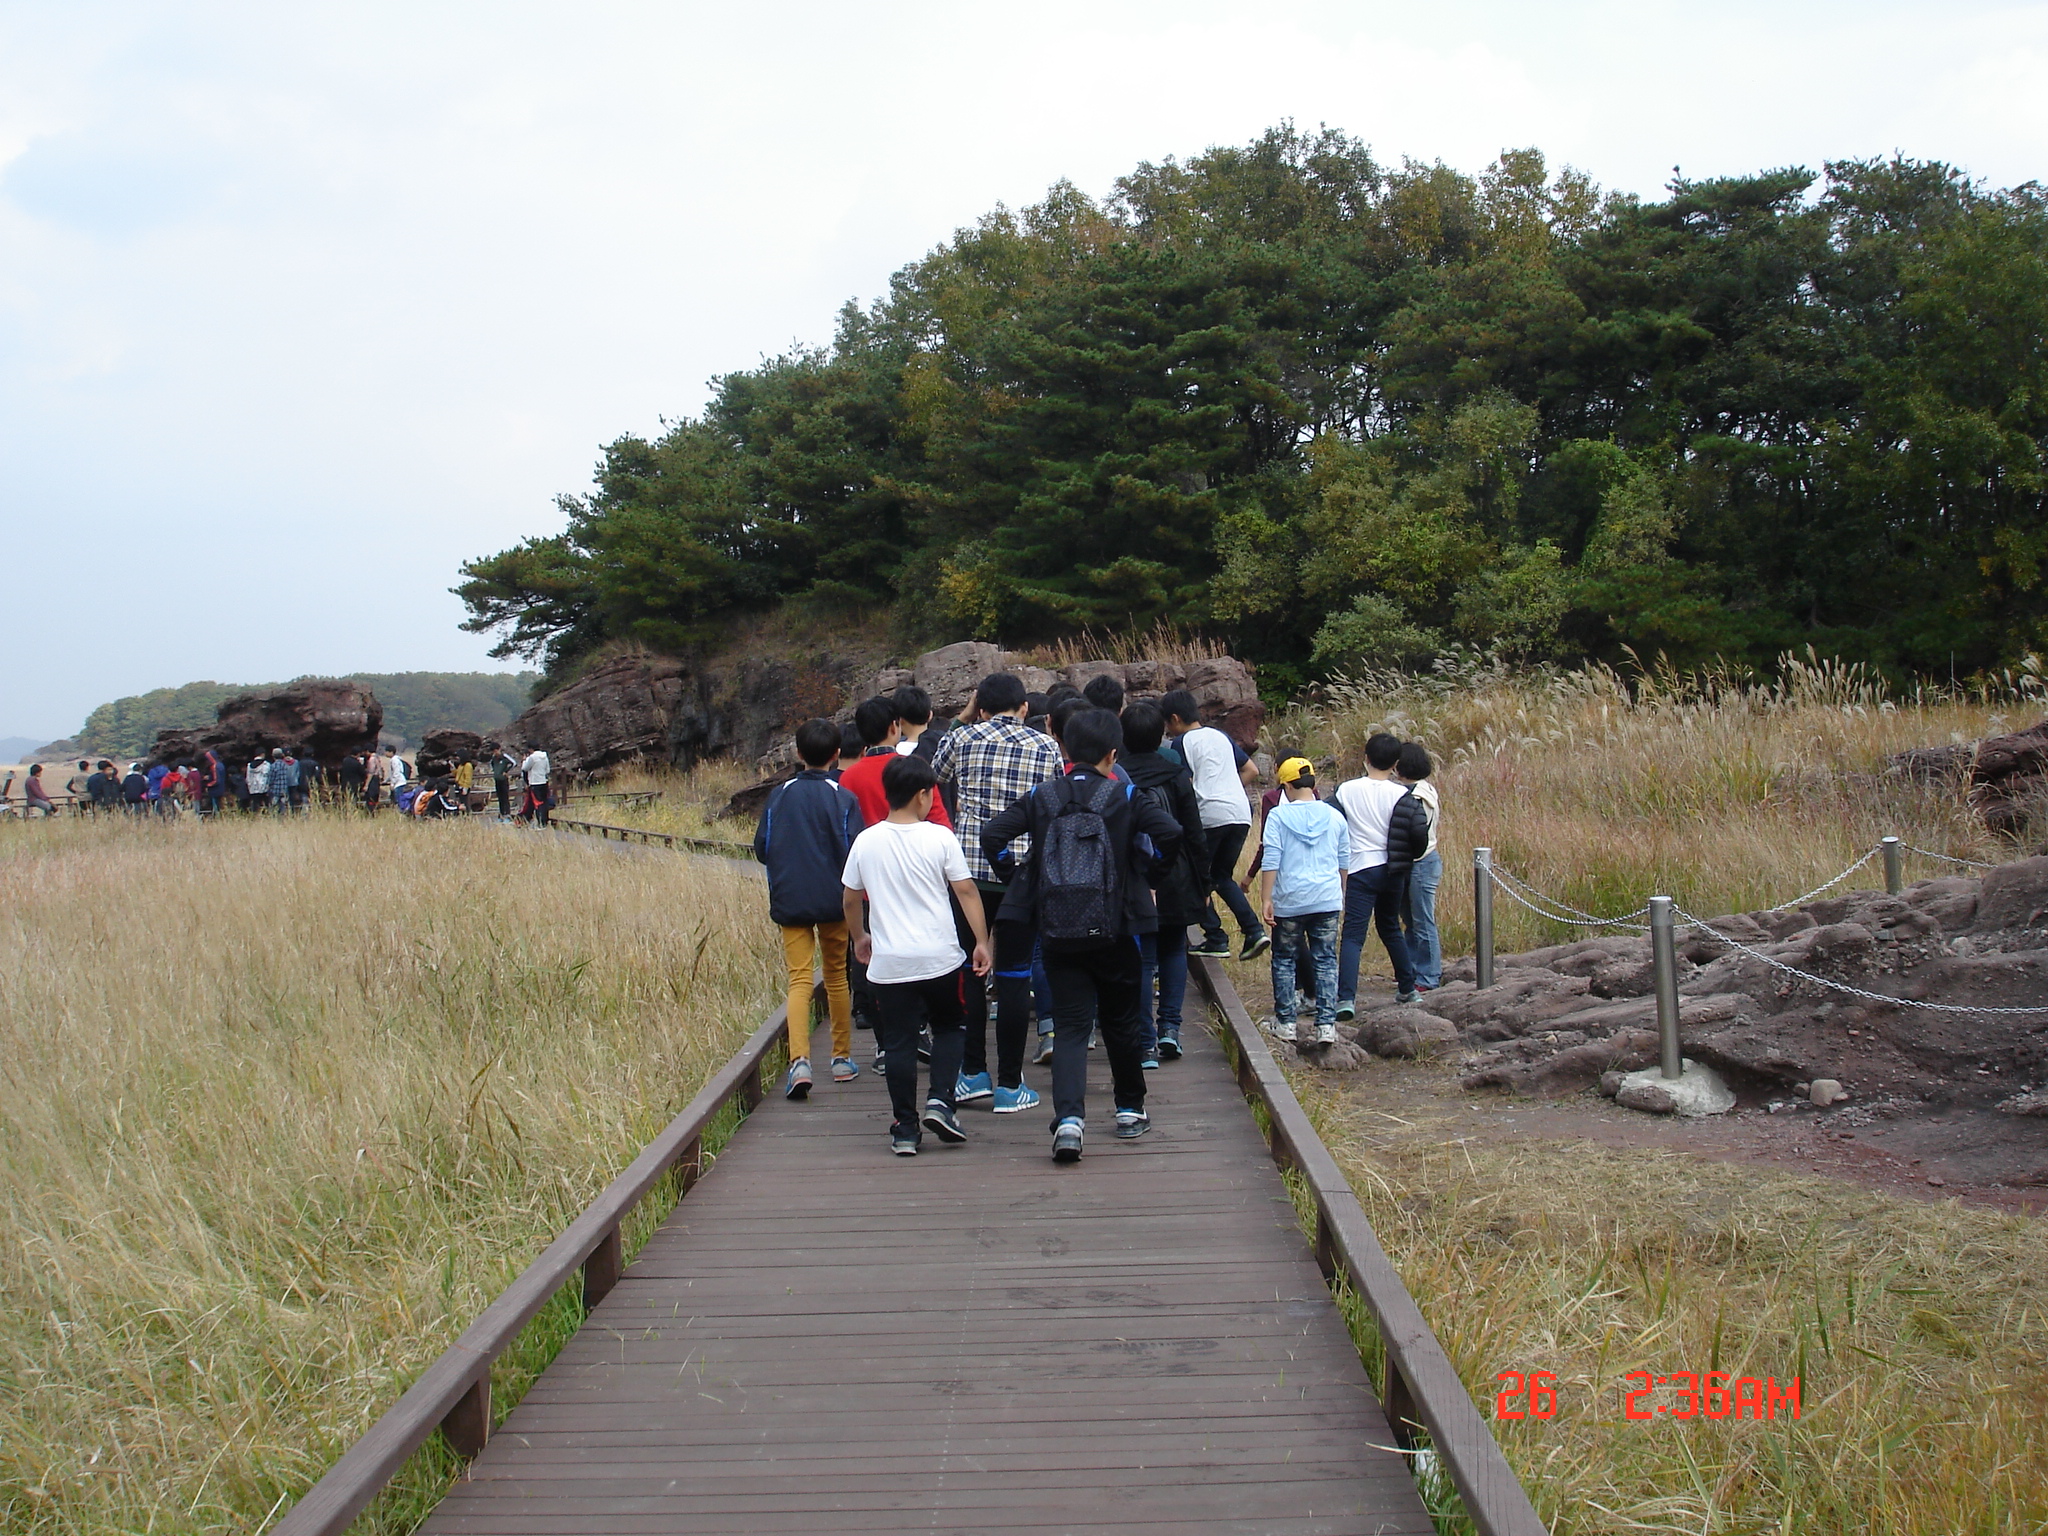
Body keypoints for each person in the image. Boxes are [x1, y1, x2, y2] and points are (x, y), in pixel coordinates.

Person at [981, 707, 1182, 1163]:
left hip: (1057, 927)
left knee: (1071, 1026)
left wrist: (1018, 876)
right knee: (1120, 1021)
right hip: (1118, 927)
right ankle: (1129, 1109)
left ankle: (1069, 1122)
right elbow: (1170, 833)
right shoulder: (1125, 794)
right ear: (1113, 754)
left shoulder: (1041, 796)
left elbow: (993, 835)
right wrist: (1148, 871)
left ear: (1065, 748)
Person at [841, 754, 992, 1155]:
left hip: (890, 965)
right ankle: (941, 1101)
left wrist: (860, 937)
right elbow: (965, 891)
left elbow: (851, 899)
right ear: (924, 795)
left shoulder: (866, 841)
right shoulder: (940, 837)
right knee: (949, 1027)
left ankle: (905, 1127)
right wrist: (981, 940)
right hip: (940, 957)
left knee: (900, 1042)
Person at [930, 672, 1062, 1114]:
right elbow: (1055, 799)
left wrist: (962, 720)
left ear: (981, 707)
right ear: (1024, 707)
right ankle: (1010, 1083)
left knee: (970, 970)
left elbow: (930, 775)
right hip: (1023, 874)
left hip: (968, 873)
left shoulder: (964, 738)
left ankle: (972, 1074)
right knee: (1014, 975)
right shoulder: (1045, 747)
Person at [756, 718, 868, 1099]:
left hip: (790, 900)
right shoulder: (842, 796)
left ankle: (799, 1061)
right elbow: (857, 852)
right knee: (836, 976)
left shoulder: (779, 795)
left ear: (798, 754)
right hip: (833, 900)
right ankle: (840, 1058)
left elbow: (762, 847)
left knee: (799, 980)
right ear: (837, 754)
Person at [1119, 702, 1208, 1065]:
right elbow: (1195, 834)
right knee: (1175, 949)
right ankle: (1170, 1027)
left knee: (1142, 959)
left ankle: (1145, 1042)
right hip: (1177, 873)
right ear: (1161, 736)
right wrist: (1204, 885)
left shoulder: (1119, 775)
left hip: (1136, 876)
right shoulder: (1175, 775)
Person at [1160, 690, 1268, 961]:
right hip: (1240, 813)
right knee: (1220, 877)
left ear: (1174, 718)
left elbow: (1183, 785)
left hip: (1209, 816)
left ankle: (1216, 937)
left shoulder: (1180, 744)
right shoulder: (1220, 736)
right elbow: (1252, 770)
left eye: (1167, 723)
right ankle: (1254, 931)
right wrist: (1228, 789)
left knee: (1195, 877)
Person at [1331, 734, 1429, 1016]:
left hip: (1360, 868)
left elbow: (1331, 818)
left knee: (1352, 935)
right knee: (1390, 928)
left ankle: (1346, 998)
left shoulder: (1346, 790)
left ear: (1366, 758)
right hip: (1393, 870)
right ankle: (1407, 988)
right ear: (1396, 764)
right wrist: (1408, 857)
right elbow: (1418, 834)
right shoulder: (1403, 795)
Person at [1257, 757, 1350, 1045]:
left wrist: (1266, 898)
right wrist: (1341, 893)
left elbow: (1271, 859)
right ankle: (1326, 1025)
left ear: (1286, 784)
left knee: (1284, 959)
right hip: (1326, 898)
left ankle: (1286, 1021)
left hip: (1290, 899)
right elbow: (1343, 859)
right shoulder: (1335, 816)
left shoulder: (1278, 817)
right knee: (1325, 960)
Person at [1398, 742, 1443, 992]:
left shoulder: (1419, 795)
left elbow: (1418, 835)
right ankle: (1413, 968)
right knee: (1412, 920)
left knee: (1423, 921)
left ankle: (1429, 974)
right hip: (1416, 861)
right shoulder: (1422, 789)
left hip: (1421, 861)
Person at [519, 746, 551, 826]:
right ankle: (544, 821)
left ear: (531, 749)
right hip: (543, 782)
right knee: (544, 802)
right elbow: (547, 770)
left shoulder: (532, 758)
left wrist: (524, 760)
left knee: (537, 803)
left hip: (535, 783)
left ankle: (540, 822)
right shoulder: (545, 756)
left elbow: (525, 768)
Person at [491, 747, 517, 819]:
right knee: (500, 797)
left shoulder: (504, 756)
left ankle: (507, 813)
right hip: (497, 779)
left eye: (496, 750)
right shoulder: (493, 758)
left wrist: (506, 771)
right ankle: (502, 812)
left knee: (505, 796)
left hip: (503, 779)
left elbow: (514, 763)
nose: (495, 752)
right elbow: (492, 764)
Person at [269, 749, 296, 813]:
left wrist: (269, 787)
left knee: (273, 807)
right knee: (283, 807)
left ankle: (274, 819)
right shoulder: (285, 765)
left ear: (273, 756)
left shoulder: (273, 766)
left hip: (275, 790)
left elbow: (271, 779)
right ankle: (282, 820)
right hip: (284, 790)